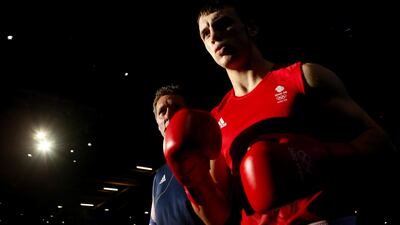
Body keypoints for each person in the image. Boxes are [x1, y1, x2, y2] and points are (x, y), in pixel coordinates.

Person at [162, 0, 397, 225]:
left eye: (223, 24)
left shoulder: (303, 78)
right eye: (206, 33)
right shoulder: (215, 121)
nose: (214, 35)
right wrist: (193, 181)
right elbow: (217, 217)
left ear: (251, 28)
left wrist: (320, 158)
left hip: (322, 220)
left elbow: (381, 142)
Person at [150, 84, 204, 225]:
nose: (168, 115)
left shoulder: (210, 157)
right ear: (158, 124)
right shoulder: (158, 176)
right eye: (162, 111)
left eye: (176, 108)